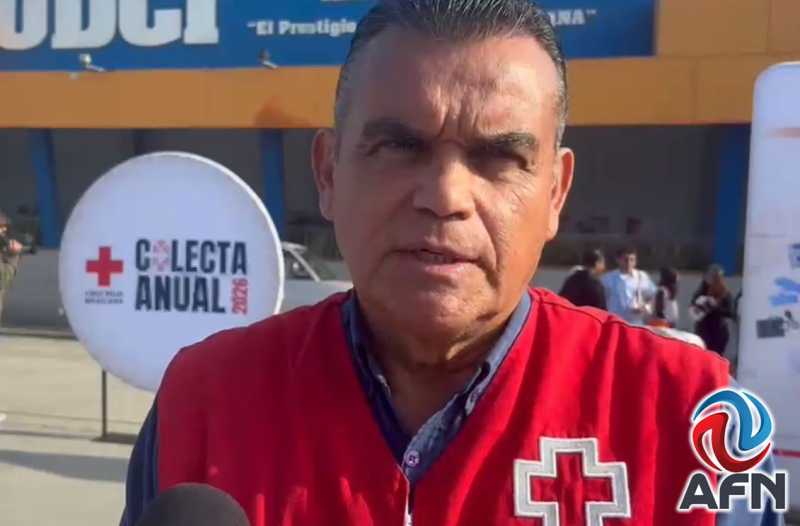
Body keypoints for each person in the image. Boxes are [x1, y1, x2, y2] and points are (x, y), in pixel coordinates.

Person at [122, 2, 781, 525]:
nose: (445, 196)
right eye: (398, 148)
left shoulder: (696, 412)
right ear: (328, 173)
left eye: (499, 157)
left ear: (555, 193)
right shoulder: (204, 402)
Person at [601, 246, 657, 325]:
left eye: (632, 259)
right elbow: (601, 300)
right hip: (615, 322)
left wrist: (645, 307)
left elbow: (654, 296)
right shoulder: (608, 279)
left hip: (636, 322)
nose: (629, 263)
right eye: (625, 259)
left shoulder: (642, 276)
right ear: (618, 260)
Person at [690, 264, 735, 356]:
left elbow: (730, 312)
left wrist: (716, 307)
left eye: (718, 277)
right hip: (703, 331)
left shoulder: (725, 293)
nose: (716, 280)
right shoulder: (701, 292)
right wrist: (706, 304)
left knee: (716, 358)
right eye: (713, 277)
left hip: (718, 332)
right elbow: (694, 311)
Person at [0, 212, 23, 326]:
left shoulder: (9, 242)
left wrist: (13, 252)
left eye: (3, 227)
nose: (2, 230)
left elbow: (5, 277)